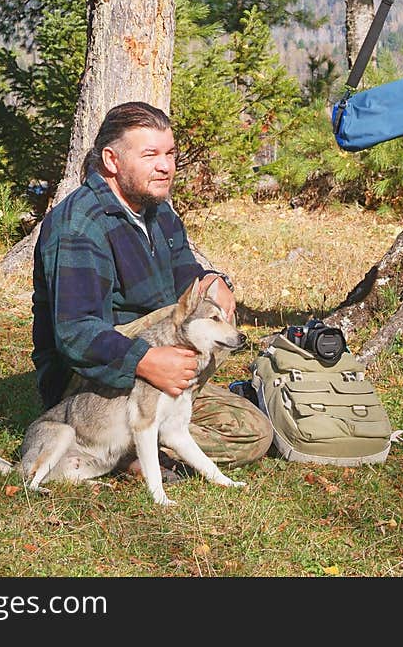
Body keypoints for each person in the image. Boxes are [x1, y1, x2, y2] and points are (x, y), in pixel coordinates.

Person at [31, 101, 272, 474]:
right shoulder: (79, 225)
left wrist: (213, 281)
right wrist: (146, 361)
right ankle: (116, 444)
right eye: (150, 155)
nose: (165, 166)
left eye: (170, 154)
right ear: (111, 160)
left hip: (154, 369)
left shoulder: (158, 211)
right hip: (91, 387)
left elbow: (185, 280)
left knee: (254, 432)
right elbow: (76, 335)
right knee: (187, 318)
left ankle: (147, 440)